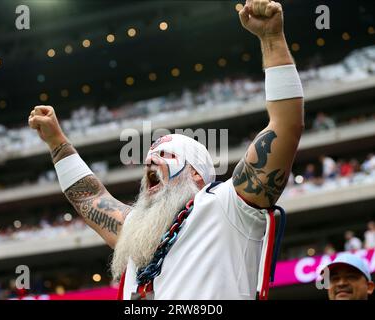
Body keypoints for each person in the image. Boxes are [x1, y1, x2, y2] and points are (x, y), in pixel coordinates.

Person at [28, 0, 304, 300]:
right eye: (148, 158)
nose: (150, 162)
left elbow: (284, 127)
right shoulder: (138, 229)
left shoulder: (227, 206)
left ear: (198, 175)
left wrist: (272, 39)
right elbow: (91, 196)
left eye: (166, 156)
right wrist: (56, 141)